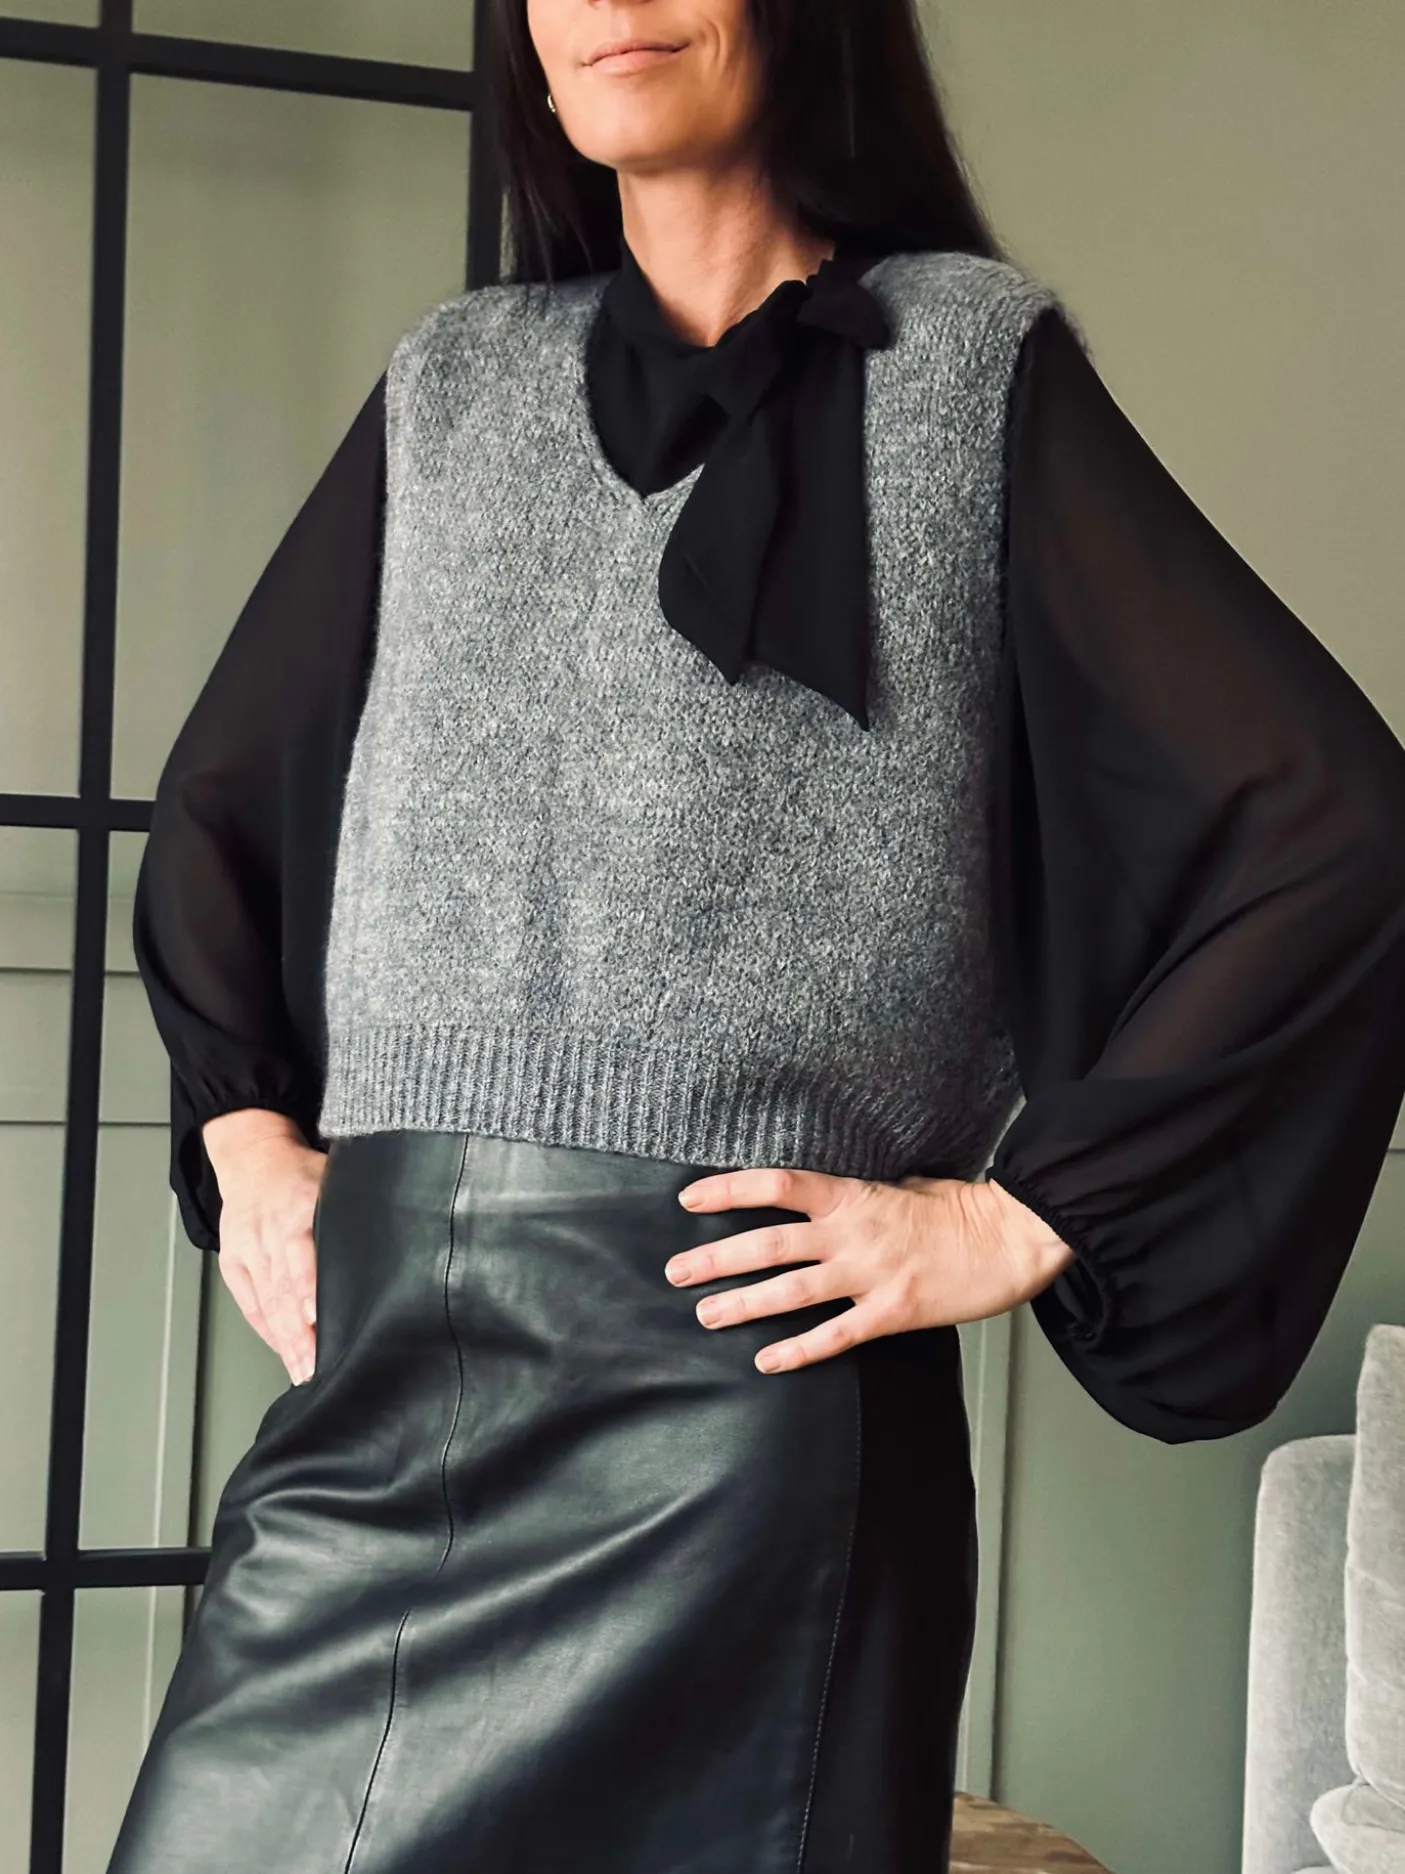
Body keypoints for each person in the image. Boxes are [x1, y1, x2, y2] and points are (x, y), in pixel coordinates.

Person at [108, 0, 1405, 1869]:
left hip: (748, 1413)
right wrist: (245, 1135)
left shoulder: (964, 368)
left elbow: (1330, 822)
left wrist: (1015, 1212)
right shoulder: (452, 385)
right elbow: (224, 796)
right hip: (387, 1397)